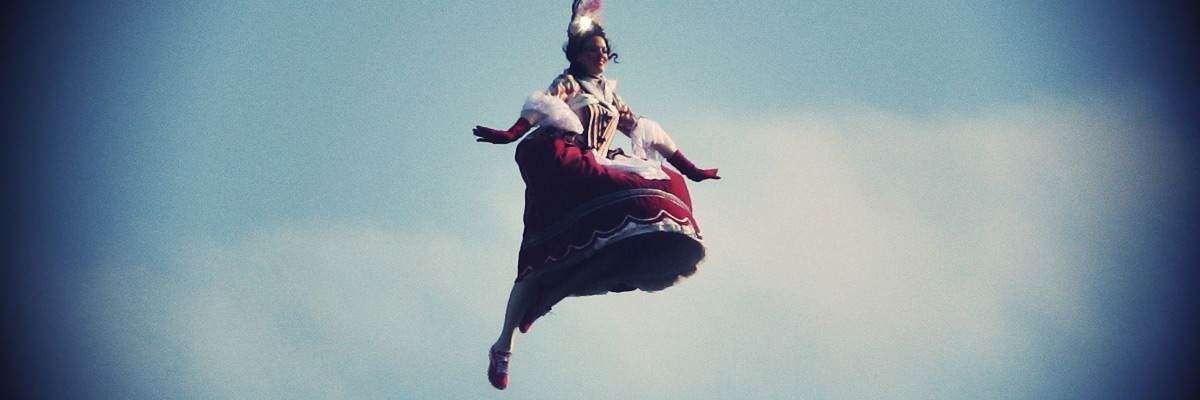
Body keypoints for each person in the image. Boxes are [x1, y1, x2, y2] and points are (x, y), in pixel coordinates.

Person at [472, 0, 720, 390]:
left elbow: (643, 130)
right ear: (578, 55)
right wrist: (509, 134)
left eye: (605, 52)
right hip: (566, 164)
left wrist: (692, 170)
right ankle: (503, 347)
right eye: (594, 51)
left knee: (659, 188)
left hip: (599, 163)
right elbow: (539, 109)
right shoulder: (568, 83)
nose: (601, 57)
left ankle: (556, 293)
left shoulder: (610, 94)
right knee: (536, 265)